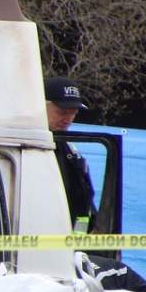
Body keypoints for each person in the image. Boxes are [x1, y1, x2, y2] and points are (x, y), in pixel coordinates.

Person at [45, 76, 96, 232]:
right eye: (62, 111)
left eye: (73, 112)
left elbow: (83, 204)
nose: (68, 119)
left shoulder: (71, 153)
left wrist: (80, 238)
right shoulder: (20, 145)